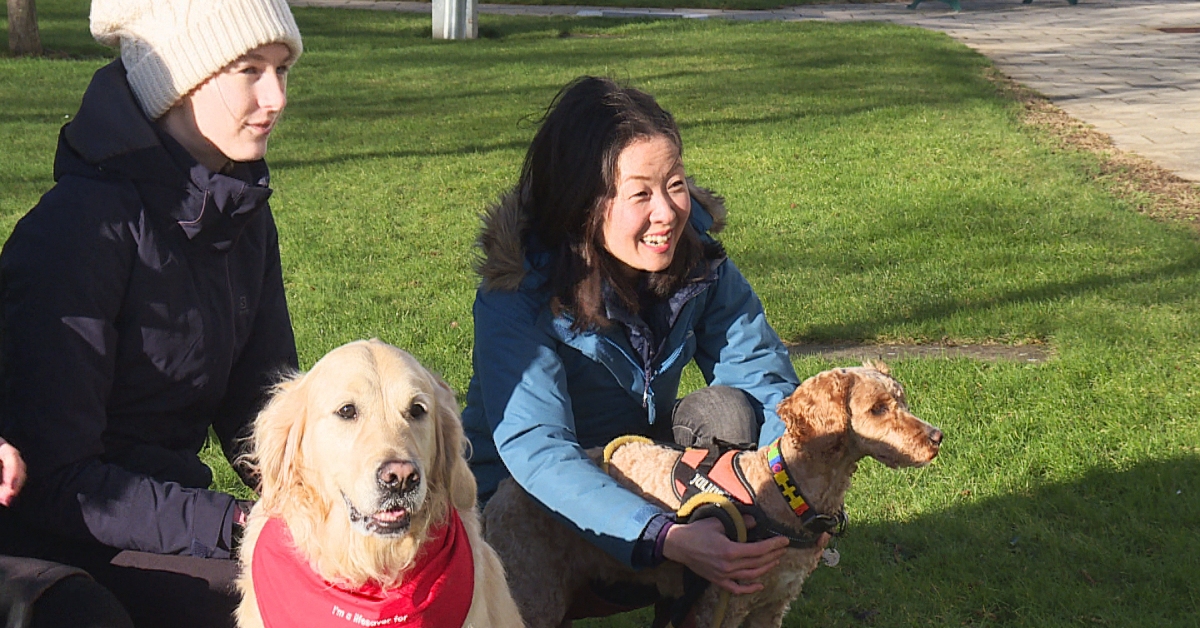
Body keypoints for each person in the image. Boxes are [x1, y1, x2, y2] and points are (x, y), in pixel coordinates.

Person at [0, 1, 303, 626]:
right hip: (66, 532)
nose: (275, 97)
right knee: (277, 601)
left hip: (167, 511)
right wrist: (241, 525)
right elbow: (62, 483)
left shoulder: (241, 211)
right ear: (178, 83)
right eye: (249, 69)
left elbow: (265, 409)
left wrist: (319, 491)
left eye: (283, 69)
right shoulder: (81, 228)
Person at [462, 76, 810, 617]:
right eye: (641, 193)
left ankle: (692, 606)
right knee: (518, 506)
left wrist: (792, 493)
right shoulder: (518, 291)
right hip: (523, 505)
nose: (668, 213)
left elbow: (763, 378)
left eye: (674, 183)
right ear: (584, 204)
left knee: (728, 415)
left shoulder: (701, 262)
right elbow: (538, 451)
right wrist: (661, 535)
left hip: (633, 467)